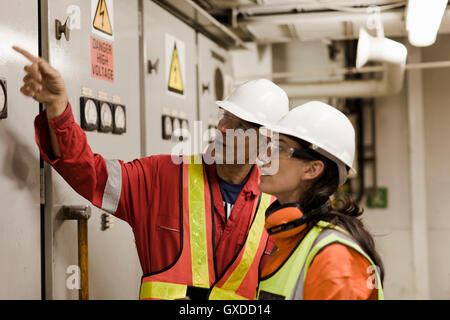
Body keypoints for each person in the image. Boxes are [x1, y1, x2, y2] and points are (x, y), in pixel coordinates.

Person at [13, 46, 290, 300]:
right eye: (225, 116)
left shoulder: (279, 208)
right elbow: (88, 172)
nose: (223, 128)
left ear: (265, 142)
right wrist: (57, 107)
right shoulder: (162, 176)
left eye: (239, 124)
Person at [256, 101, 384, 300]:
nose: (263, 157)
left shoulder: (336, 259)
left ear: (312, 169)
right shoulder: (293, 239)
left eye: (279, 148)